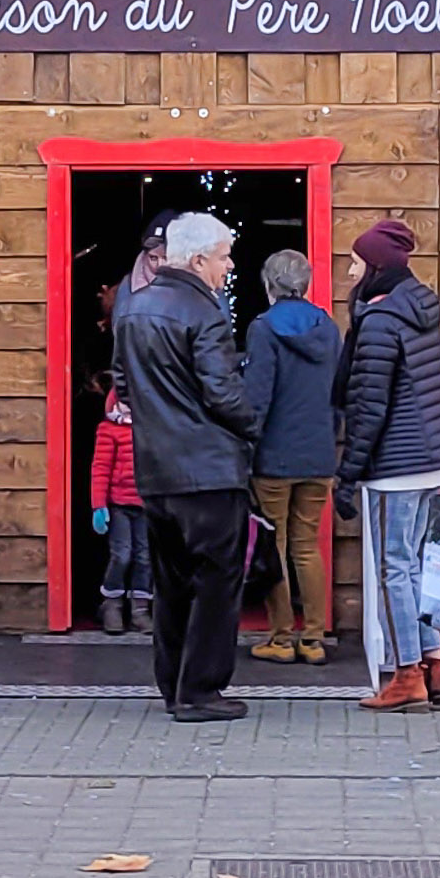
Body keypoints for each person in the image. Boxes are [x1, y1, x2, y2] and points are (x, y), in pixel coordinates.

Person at [111, 212, 263, 722]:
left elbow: (124, 385)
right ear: (198, 260)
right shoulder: (205, 312)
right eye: (224, 256)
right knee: (217, 584)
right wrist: (255, 426)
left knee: (171, 584)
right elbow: (222, 392)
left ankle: (174, 683)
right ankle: (200, 691)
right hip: (209, 468)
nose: (229, 265)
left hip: (155, 468)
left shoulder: (133, 309)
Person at [334, 220, 440, 713]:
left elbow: (370, 407)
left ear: (375, 266)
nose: (350, 270)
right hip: (430, 456)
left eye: (356, 261)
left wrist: (348, 475)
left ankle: (406, 674)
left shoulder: (381, 320)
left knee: (394, 569)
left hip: (398, 462)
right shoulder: (418, 309)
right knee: (414, 566)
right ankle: (435, 666)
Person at [242, 249, 342, 665]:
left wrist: (245, 449)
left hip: (274, 458)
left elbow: (257, 398)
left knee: (275, 546)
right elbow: (339, 394)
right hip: (319, 455)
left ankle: (282, 638)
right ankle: (314, 639)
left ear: (269, 285)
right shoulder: (329, 328)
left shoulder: (262, 330)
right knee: (306, 547)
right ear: (306, 284)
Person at [90, 380, 152, 636]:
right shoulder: (108, 430)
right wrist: (98, 506)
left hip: (147, 505)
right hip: (119, 505)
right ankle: (112, 605)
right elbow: (100, 469)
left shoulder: (151, 429)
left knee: (145, 558)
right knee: (122, 555)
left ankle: (140, 611)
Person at [112, 209, 177, 320]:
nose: (159, 266)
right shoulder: (127, 286)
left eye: (166, 258)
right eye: (153, 258)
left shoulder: (195, 289)